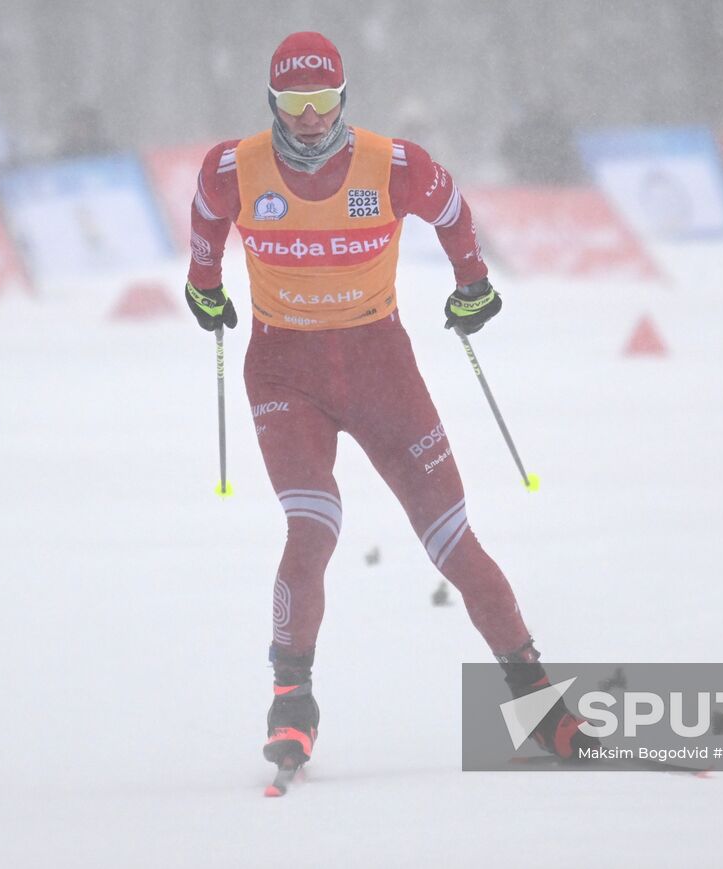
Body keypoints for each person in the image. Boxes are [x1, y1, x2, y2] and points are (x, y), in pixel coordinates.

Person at [183, 32, 597, 774]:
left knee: (453, 540)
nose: (310, 117)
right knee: (313, 526)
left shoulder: (394, 165)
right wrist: (202, 284)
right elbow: (206, 216)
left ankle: (537, 705)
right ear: (272, 101)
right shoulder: (233, 167)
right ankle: (291, 702)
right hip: (284, 373)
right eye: (293, 103)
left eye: (322, 100)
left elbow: (454, 211)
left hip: (380, 370)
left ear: (343, 97)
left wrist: (473, 284)